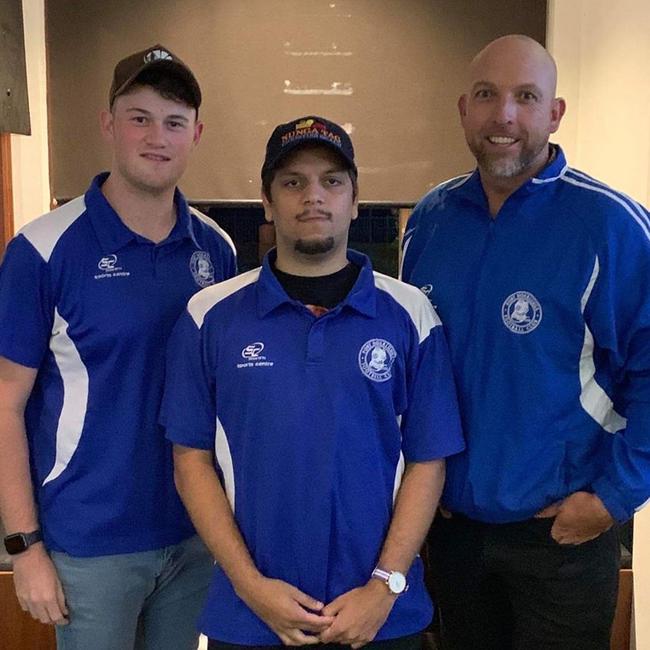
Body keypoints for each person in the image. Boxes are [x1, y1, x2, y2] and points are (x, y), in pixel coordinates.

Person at [160, 115, 464, 649]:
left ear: (353, 197)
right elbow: (191, 462)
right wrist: (250, 587)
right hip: (253, 616)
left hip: (380, 616)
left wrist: (384, 585)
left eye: (331, 181)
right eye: (293, 182)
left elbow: (428, 460)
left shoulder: (412, 315)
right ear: (267, 200)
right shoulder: (209, 316)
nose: (313, 196)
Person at [401, 34, 650, 650]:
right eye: (487, 95)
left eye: (526, 97)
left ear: (555, 113)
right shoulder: (429, 222)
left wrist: (615, 496)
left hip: (562, 536)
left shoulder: (611, 225)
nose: (503, 115)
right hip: (453, 533)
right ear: (464, 109)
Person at [0, 44, 237, 650]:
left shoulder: (217, 251)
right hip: (88, 545)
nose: (157, 137)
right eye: (140, 117)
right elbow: (5, 402)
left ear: (197, 134)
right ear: (108, 123)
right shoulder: (42, 250)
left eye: (174, 122)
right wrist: (23, 547)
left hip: (194, 536)